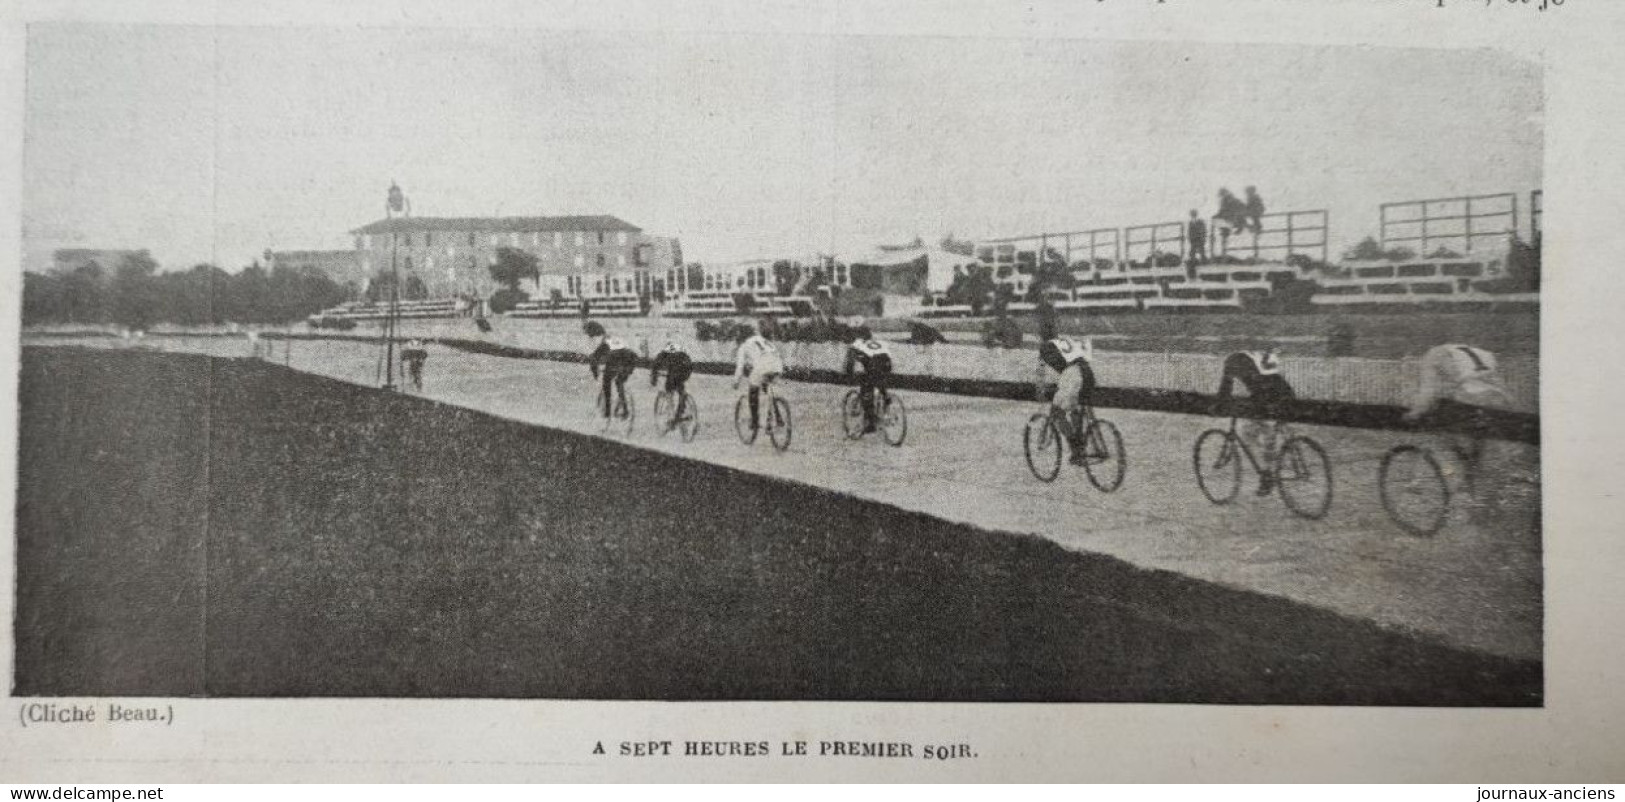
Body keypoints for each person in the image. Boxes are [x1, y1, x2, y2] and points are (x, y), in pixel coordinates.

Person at [1401, 344, 1514, 479]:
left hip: (1470, 397)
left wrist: (1414, 413)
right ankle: (1475, 471)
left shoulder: (1432, 355)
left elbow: (1428, 392)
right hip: (1499, 398)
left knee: (1438, 427)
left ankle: (1452, 472)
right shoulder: (1478, 351)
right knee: (1478, 432)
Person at [1216, 345, 1296, 495]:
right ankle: (1281, 456)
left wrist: (1219, 407)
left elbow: (1225, 390)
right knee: (1267, 434)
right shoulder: (1258, 354)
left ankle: (1267, 475)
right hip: (1284, 395)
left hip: (1265, 400)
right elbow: (1273, 380)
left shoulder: (1232, 360)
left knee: (1249, 435)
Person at [1036, 323, 1097, 466]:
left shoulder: (1044, 347)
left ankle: (1076, 450)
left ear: (1041, 336)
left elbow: (1041, 374)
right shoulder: (1065, 341)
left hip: (1072, 374)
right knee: (1074, 408)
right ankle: (1081, 445)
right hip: (1087, 373)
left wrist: (1041, 391)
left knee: (1057, 412)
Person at [732, 322, 786, 435]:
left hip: (763, 366)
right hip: (777, 364)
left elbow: (740, 366)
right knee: (768, 391)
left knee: (753, 391)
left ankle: (755, 421)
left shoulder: (744, 345)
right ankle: (778, 417)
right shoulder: (762, 340)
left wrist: (736, 381)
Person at [844, 326, 894, 434]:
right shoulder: (877, 342)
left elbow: (849, 365)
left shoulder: (856, 344)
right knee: (879, 380)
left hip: (874, 365)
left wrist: (849, 377)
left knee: (866, 391)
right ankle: (885, 396)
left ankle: (871, 423)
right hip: (887, 364)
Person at [586, 323, 638, 420]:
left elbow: (594, 359)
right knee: (619, 382)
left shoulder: (604, 343)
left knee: (606, 382)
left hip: (619, 359)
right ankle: (625, 409)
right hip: (631, 359)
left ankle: (608, 411)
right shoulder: (614, 338)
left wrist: (595, 373)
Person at [649, 339, 695, 423]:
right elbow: (689, 363)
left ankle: (672, 415)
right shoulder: (681, 349)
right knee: (681, 389)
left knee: (669, 389)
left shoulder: (664, 352)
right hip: (686, 370)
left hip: (675, 372)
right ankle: (681, 411)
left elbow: (655, 365)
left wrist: (653, 378)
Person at [1186, 210, 1209, 275]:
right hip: (1193, 240)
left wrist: (1203, 239)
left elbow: (1204, 230)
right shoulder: (1191, 222)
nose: (1193, 215)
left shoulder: (1200, 221)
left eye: (1193, 214)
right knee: (1192, 253)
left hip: (1199, 239)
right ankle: (1193, 264)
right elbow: (1189, 232)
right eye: (1192, 214)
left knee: (1202, 252)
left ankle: (1204, 263)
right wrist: (1190, 239)